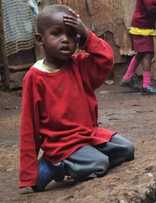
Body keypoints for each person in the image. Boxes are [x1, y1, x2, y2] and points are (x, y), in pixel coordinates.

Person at [19, 4, 135, 192]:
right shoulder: (34, 78)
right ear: (40, 39)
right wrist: (28, 171)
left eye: (72, 34)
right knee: (100, 164)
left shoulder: (79, 65)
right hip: (62, 143)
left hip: (89, 135)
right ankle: (52, 166)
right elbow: (29, 126)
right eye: (56, 34)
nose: (65, 40)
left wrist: (87, 35)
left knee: (127, 150)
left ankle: (82, 158)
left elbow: (105, 59)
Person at [120, 0, 156, 95]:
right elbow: (150, 7)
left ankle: (127, 78)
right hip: (142, 26)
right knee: (148, 53)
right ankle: (146, 85)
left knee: (142, 53)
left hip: (143, 25)